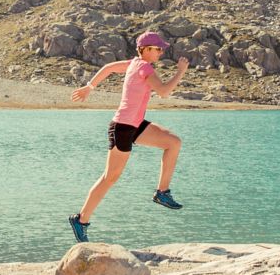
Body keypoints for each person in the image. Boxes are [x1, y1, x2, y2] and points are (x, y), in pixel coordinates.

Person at [67, 31, 189, 242]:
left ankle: (162, 192)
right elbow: (163, 92)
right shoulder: (143, 66)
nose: (161, 52)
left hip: (135, 124)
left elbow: (108, 68)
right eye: (158, 49)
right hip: (123, 127)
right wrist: (180, 72)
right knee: (110, 177)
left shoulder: (134, 63)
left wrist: (90, 86)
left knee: (173, 142)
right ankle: (81, 220)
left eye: (161, 49)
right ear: (145, 49)